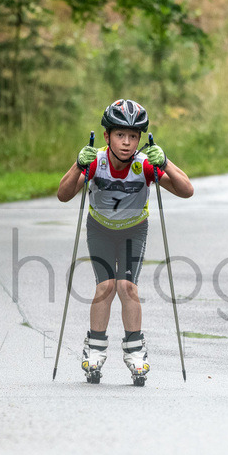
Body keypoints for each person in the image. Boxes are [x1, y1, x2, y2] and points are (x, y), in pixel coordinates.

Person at [57, 99, 194, 383]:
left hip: (134, 230)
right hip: (100, 229)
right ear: (106, 136)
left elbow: (186, 190)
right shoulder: (96, 162)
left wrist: (165, 162)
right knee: (106, 286)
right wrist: (77, 164)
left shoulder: (145, 165)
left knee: (127, 287)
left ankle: (135, 352)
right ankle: (94, 349)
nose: (127, 143)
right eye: (120, 135)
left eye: (134, 136)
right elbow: (64, 194)